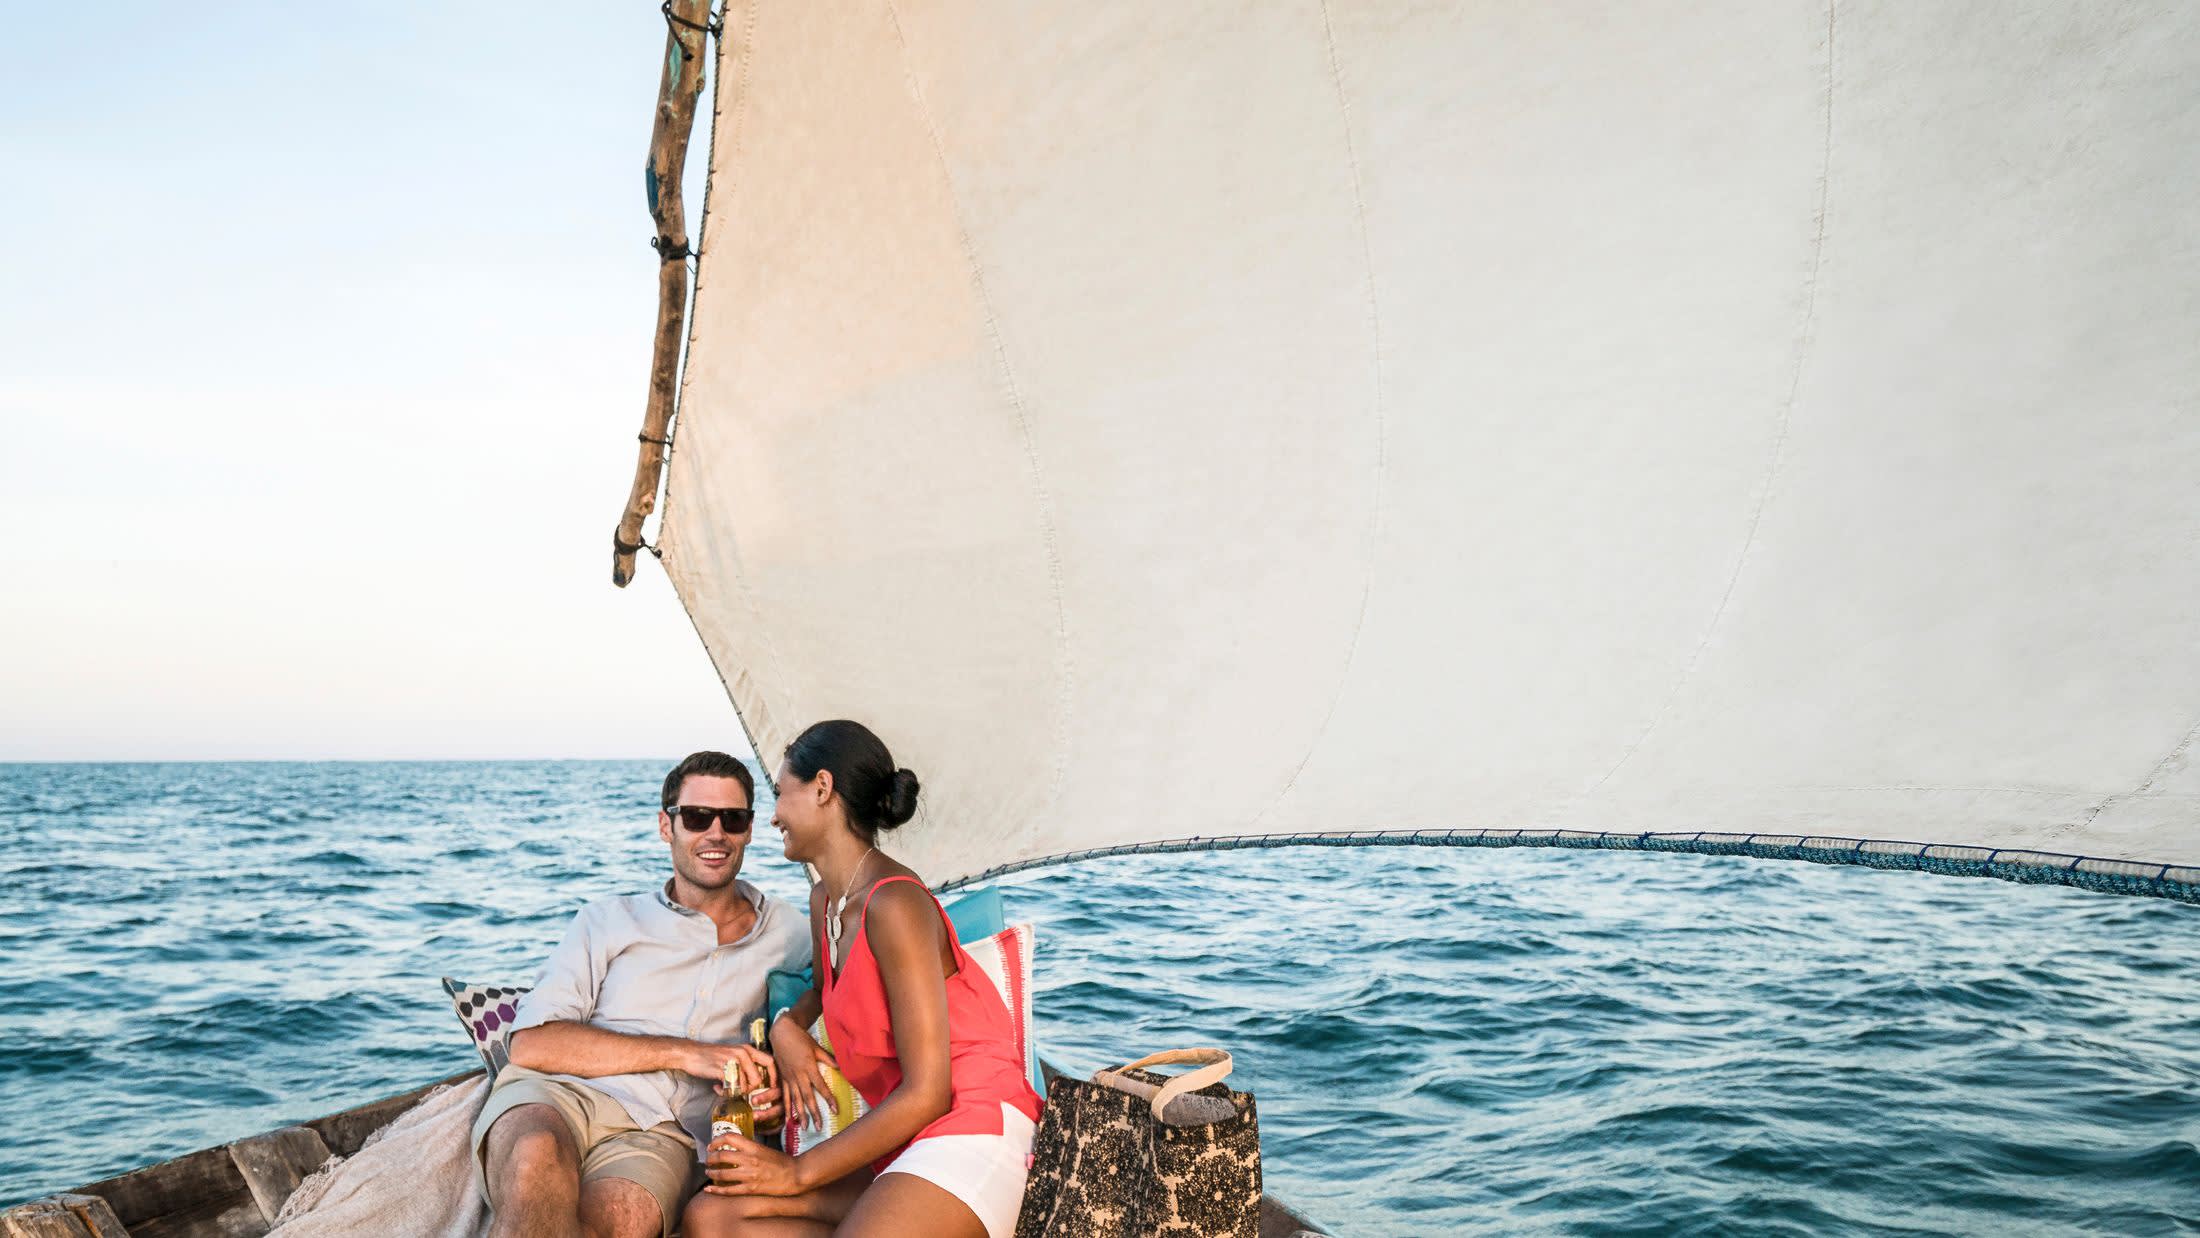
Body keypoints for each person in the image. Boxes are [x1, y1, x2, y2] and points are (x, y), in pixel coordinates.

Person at [683, 720, 1043, 1238]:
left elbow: (929, 1094)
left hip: (972, 1129)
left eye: (782, 794)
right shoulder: (826, 900)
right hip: (904, 1145)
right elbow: (821, 991)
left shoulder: (895, 903)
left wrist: (797, 1171)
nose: (776, 816)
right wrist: (787, 1027)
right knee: (713, 1218)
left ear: (823, 788)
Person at [473, 751, 811, 1238]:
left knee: (610, 1224)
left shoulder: (792, 936)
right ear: (666, 826)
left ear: (750, 830)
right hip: (559, 1093)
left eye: (732, 819)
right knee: (533, 1162)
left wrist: (773, 1102)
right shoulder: (606, 920)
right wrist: (687, 1055)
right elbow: (531, 1044)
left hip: (666, 1134)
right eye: (696, 817)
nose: (715, 834)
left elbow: (806, 1032)